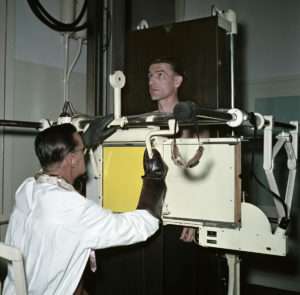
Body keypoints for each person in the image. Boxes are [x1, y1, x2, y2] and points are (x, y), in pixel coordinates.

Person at [3, 120, 167, 294]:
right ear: (72, 159)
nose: (85, 154)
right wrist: (154, 178)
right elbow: (142, 226)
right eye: (82, 150)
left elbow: (51, 169)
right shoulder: (74, 209)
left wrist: (84, 140)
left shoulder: (27, 188)